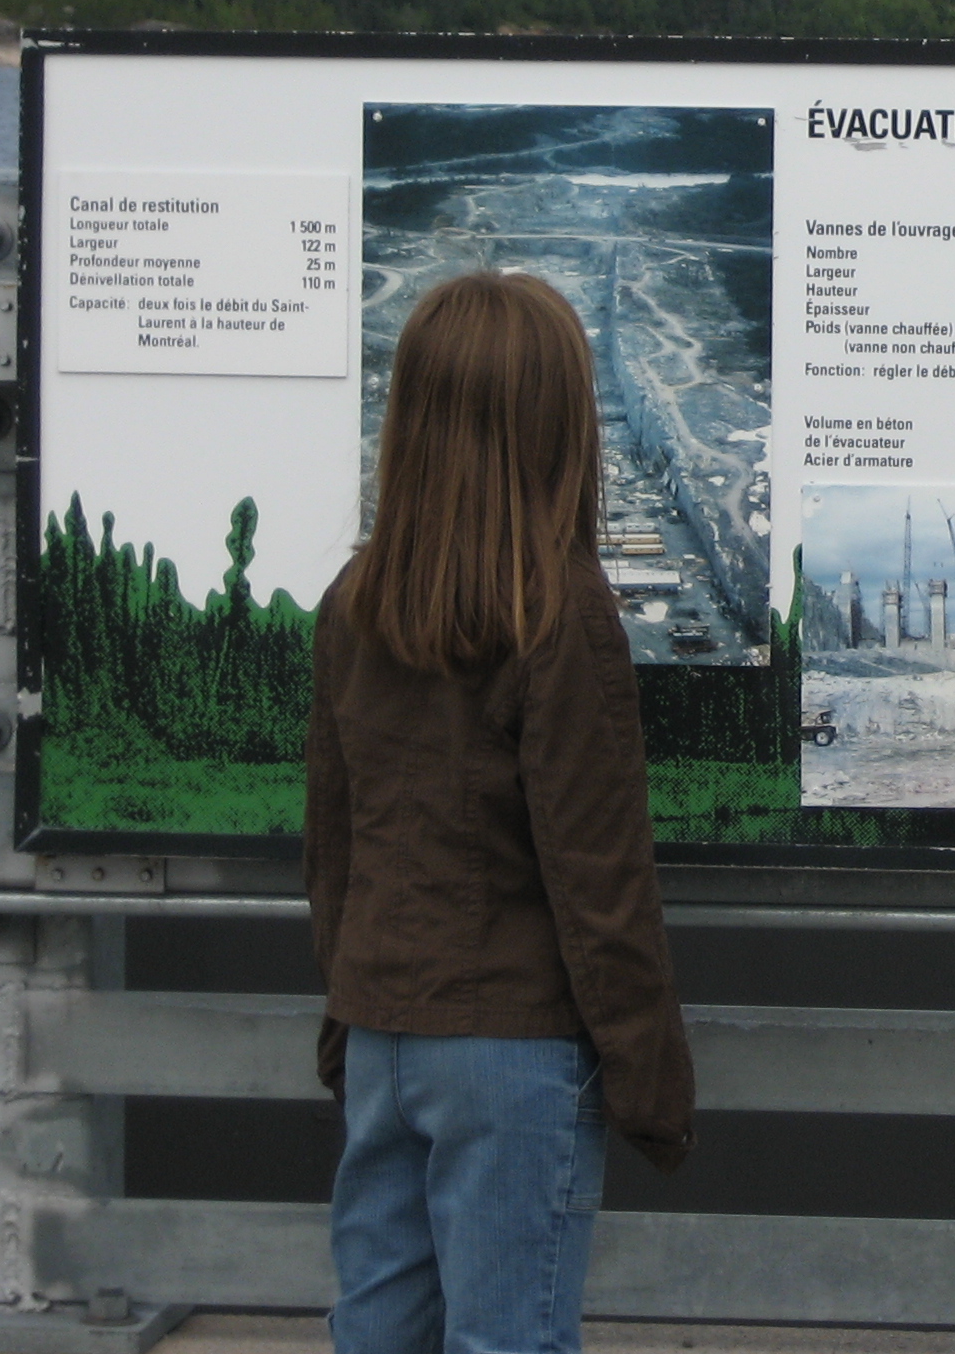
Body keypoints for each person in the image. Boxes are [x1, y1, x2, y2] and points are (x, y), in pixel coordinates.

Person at [305, 270, 694, 1354]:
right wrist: (651, 1079)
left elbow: (333, 850)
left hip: (382, 1032)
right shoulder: (560, 611)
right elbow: (599, 877)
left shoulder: (354, 600)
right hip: (511, 1050)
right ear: (558, 424)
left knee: (376, 1331)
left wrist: (347, 1025)